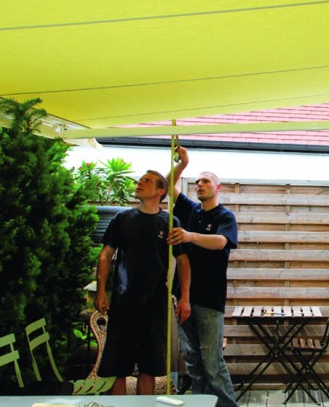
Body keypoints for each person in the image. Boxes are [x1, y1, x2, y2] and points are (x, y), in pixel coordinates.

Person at [95, 170, 191, 395]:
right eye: (140, 180)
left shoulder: (169, 222)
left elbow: (183, 260)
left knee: (149, 369)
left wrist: (185, 296)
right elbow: (105, 255)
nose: (139, 183)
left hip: (154, 306)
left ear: (160, 191)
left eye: (146, 181)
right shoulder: (122, 219)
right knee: (118, 369)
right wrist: (101, 290)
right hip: (122, 304)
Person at [167, 146, 239, 407]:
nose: (199, 184)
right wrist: (182, 165)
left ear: (217, 188)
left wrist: (189, 236)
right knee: (193, 361)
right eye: (196, 181)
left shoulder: (225, 216)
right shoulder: (191, 211)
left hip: (209, 299)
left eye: (205, 180)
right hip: (184, 299)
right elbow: (167, 185)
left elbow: (221, 242)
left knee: (212, 364)